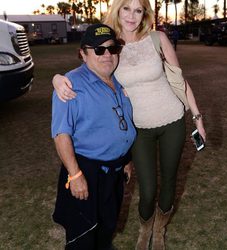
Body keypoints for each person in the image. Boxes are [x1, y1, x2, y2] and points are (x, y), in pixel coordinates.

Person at [52, 0, 206, 249]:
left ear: (144, 14)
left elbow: (180, 81)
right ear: (117, 10)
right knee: (147, 190)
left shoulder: (157, 39)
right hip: (139, 129)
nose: (132, 16)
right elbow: (87, 67)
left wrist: (197, 118)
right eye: (126, 8)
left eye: (138, 10)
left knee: (169, 183)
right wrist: (57, 79)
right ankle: (145, 227)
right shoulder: (112, 45)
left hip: (172, 119)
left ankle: (159, 231)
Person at [51, 23, 136, 250]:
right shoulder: (70, 84)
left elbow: (122, 123)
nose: (107, 55)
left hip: (115, 171)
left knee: (107, 226)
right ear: (83, 53)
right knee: (83, 234)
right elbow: (61, 134)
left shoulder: (118, 81)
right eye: (98, 50)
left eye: (112, 48)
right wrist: (75, 174)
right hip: (86, 172)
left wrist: (126, 160)